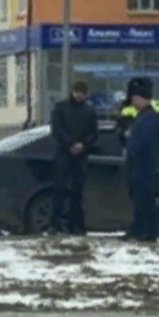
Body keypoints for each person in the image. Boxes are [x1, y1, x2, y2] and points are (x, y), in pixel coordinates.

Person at [50, 80, 99, 234]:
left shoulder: (89, 111)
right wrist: (71, 143)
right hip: (64, 154)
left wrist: (82, 144)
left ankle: (75, 224)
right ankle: (56, 223)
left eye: (82, 94)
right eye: (78, 92)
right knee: (60, 190)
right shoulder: (61, 108)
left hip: (80, 156)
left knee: (77, 192)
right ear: (73, 91)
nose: (79, 96)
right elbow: (56, 129)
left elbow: (94, 133)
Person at [124, 77, 159, 242]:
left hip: (144, 166)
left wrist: (130, 140)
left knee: (144, 200)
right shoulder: (144, 117)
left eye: (135, 99)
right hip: (140, 166)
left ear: (143, 99)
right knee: (139, 200)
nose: (133, 102)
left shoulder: (149, 118)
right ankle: (140, 229)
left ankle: (146, 231)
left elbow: (145, 143)